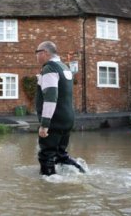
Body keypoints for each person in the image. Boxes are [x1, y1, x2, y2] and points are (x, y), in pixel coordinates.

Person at [35, 41, 85, 176]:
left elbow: (51, 97)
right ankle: (82, 173)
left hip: (54, 120)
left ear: (45, 53)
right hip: (67, 119)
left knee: (47, 156)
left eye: (37, 53)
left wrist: (45, 124)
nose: (36, 56)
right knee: (61, 155)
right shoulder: (64, 67)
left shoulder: (49, 68)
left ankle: (48, 189)